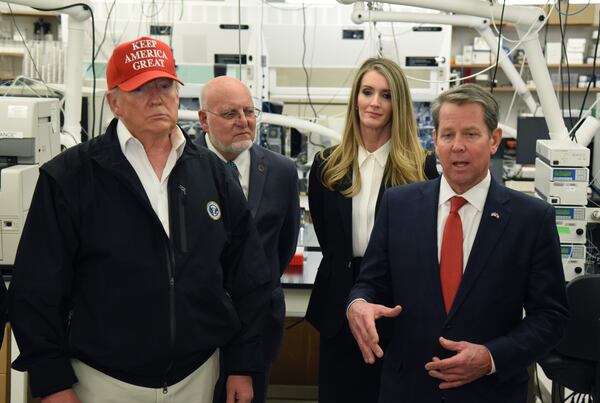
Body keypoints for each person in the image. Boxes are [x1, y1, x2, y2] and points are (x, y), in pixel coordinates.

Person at [8, 36, 271, 403]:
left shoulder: (211, 173)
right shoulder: (70, 177)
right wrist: (51, 382)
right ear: (114, 101)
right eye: (140, 88)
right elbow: (36, 290)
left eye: (164, 85)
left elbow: (250, 275)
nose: (156, 97)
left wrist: (244, 363)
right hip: (102, 382)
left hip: (196, 378)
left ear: (178, 95)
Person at [347, 83, 569, 403]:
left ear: (493, 140)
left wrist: (491, 357)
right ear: (435, 140)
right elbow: (369, 283)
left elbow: (551, 316)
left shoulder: (531, 219)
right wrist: (358, 304)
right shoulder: (398, 205)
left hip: (491, 392)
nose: (458, 146)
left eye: (471, 134)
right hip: (408, 390)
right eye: (448, 135)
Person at [305, 57, 438, 403]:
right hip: (338, 307)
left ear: (399, 105)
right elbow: (327, 237)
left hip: (397, 307)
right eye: (367, 92)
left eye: (385, 94)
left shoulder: (421, 168)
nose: (375, 102)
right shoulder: (326, 166)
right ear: (356, 98)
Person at [196, 76, 301, 403]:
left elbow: (282, 248)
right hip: (194, 325)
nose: (244, 122)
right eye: (230, 114)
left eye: (249, 111)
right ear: (203, 120)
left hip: (255, 325)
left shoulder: (282, 171)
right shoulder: (182, 167)